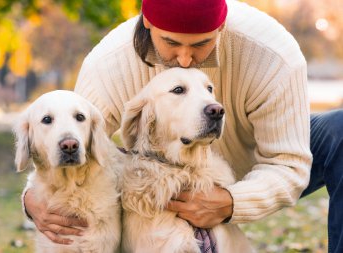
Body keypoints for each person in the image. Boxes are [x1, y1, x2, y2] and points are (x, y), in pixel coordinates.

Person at [22, 0, 343, 252]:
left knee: (340, 131)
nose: (186, 59)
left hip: (251, 157)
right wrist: (31, 197)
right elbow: (71, 144)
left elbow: (289, 163)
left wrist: (231, 202)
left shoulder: (274, 56)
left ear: (221, 28)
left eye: (201, 45)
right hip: (157, 177)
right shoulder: (108, 65)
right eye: (172, 43)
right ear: (147, 23)